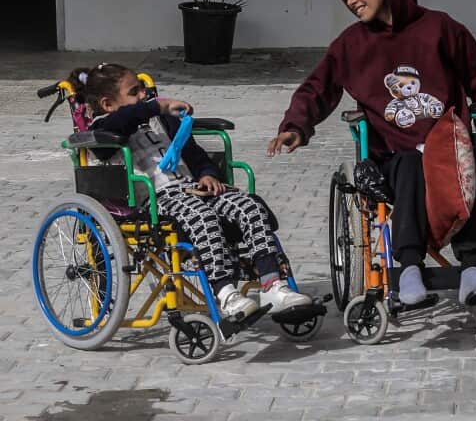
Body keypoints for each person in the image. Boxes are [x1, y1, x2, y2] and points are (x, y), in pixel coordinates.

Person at [267, 0, 476, 306]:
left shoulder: (441, 29)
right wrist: (295, 125)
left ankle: (473, 270)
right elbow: (319, 87)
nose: (351, 0)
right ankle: (409, 270)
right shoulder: (351, 45)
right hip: (395, 157)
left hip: (448, 149)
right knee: (411, 163)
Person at [71, 63, 312, 317]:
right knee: (202, 217)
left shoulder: (162, 121)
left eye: (143, 89)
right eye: (135, 92)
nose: (143, 95)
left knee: (249, 206)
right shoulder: (103, 131)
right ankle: (225, 292)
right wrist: (156, 106)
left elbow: (196, 156)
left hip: (193, 189)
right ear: (108, 104)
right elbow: (124, 120)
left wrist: (208, 174)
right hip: (156, 200)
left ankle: (272, 284)